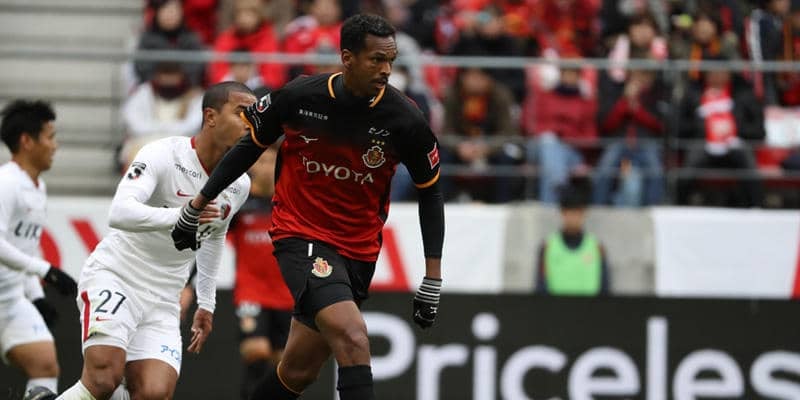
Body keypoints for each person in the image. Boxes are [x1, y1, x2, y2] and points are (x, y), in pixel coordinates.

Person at [170, 14, 445, 400]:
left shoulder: (406, 119)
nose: (386, 70)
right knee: (354, 337)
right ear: (347, 58)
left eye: (391, 60)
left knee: (298, 371)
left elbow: (430, 193)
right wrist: (198, 203)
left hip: (359, 250)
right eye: (376, 60)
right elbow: (249, 147)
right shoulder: (301, 96)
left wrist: (432, 278)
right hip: (300, 234)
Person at [25, 82, 255, 400]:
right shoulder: (163, 153)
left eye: (254, 115)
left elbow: (214, 235)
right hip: (118, 276)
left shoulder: (240, 184)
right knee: (103, 379)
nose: (250, 122)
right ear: (210, 116)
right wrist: (184, 214)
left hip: (164, 298)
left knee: (153, 393)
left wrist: (206, 302)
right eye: (242, 112)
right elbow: (120, 212)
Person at [0, 100, 77, 397]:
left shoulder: (37, 187)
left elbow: (23, 248)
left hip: (10, 299)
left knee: (45, 366)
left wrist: (36, 296)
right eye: (50, 137)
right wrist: (46, 270)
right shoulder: (6, 183)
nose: (55, 146)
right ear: (27, 141)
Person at [229, 148, 294, 400]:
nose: (266, 166)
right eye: (262, 160)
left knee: (284, 370)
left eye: (272, 160)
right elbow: (211, 238)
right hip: (251, 292)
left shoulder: (290, 201)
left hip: (288, 295)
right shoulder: (239, 202)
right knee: (256, 356)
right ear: (253, 164)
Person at [535, 182, 610, 295]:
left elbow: (605, 290)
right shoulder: (547, 247)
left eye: (577, 213)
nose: (573, 218)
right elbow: (541, 289)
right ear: (562, 213)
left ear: (584, 213)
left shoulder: (597, 247)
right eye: (569, 212)